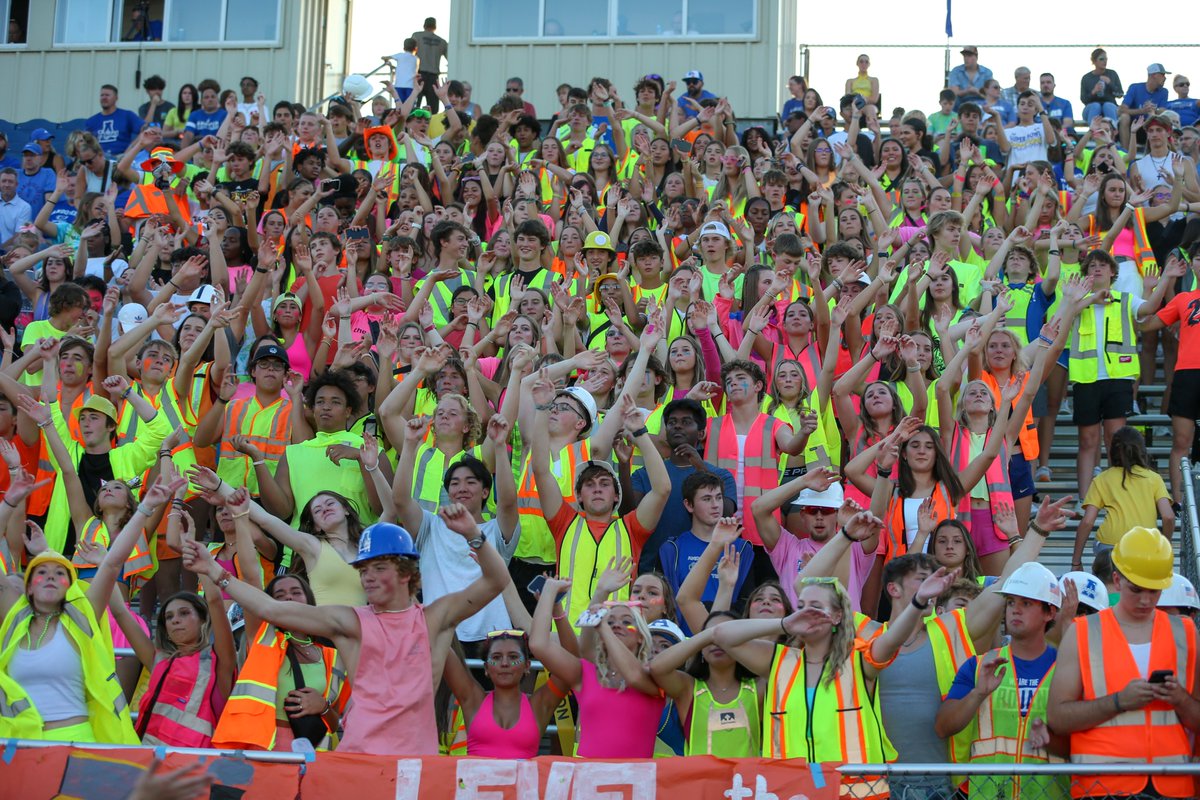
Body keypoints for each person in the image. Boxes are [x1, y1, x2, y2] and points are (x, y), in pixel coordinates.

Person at [181, 508, 509, 756]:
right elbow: (272, 610)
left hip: (413, 762)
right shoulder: (351, 620)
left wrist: (471, 534)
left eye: (379, 568)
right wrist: (215, 572)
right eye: (364, 570)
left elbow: (496, 581)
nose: (367, 577)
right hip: (358, 758)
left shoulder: (434, 618)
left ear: (407, 573)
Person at [712, 510, 958, 799]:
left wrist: (916, 602)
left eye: (816, 606)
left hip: (856, 793)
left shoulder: (858, 661)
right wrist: (783, 623)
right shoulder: (780, 660)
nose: (806, 611)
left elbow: (892, 639)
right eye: (802, 605)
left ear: (838, 616)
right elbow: (720, 635)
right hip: (794, 793)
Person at [0, 469, 165, 743]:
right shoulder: (14, 618)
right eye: (41, 572)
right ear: (27, 588)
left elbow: (112, 563)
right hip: (16, 745)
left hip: (75, 742)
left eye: (60, 573)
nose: (51, 576)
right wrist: (9, 504)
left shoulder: (81, 616)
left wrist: (146, 508)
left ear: (70, 587)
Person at [1048, 526, 1200, 800]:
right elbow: (1057, 719)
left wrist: (1181, 700)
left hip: (1172, 786)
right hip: (1101, 788)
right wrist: (1119, 701)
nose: (1145, 600)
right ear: (1116, 580)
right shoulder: (1081, 632)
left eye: (1154, 591)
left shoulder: (1186, 633)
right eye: (1136, 589)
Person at [936, 562, 1069, 800]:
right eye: (1010, 603)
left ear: (1050, 613)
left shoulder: (1067, 669)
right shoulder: (978, 666)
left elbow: (1083, 747)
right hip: (986, 794)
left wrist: (1051, 740)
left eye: (1026, 603)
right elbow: (943, 727)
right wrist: (978, 693)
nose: (1015, 610)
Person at [529, 575, 665, 758]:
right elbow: (538, 645)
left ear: (641, 635)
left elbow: (633, 675)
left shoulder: (653, 674)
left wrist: (603, 627)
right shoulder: (585, 672)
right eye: (610, 622)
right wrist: (549, 592)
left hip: (634, 782)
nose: (616, 625)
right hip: (588, 780)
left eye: (626, 622)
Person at [628, 399, 736, 572]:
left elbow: (725, 514)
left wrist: (700, 468)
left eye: (686, 422)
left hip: (703, 570)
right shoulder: (645, 473)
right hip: (652, 572)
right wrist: (624, 464)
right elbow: (628, 514)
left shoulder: (722, 476)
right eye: (672, 422)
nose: (677, 426)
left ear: (701, 434)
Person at [1072, 426, 1173, 571]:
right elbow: (1168, 516)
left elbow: (1087, 521)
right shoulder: (1154, 478)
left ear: (1112, 451)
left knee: (1110, 584)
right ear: (1141, 450)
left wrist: (1076, 562)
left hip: (1109, 546)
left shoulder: (1102, 479)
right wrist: (1165, 546)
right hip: (1144, 545)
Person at [1119, 64, 1171, 146]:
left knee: (1154, 115)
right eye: (1162, 75)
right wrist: (1142, 110)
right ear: (1153, 75)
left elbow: (1163, 110)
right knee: (1124, 117)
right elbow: (1122, 110)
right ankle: (1125, 153)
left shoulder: (1164, 91)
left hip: (1151, 126)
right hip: (1134, 126)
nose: (1165, 78)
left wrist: (1153, 110)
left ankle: (1153, 151)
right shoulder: (1135, 88)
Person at [85, 85, 143, 158]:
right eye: (102, 95)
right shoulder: (91, 121)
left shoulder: (127, 115)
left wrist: (129, 151)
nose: (104, 98)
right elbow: (85, 142)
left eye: (107, 95)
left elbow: (145, 131)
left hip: (121, 158)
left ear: (116, 98)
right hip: (99, 159)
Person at [410, 18, 448, 112]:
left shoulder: (417, 36)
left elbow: (409, 53)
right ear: (435, 27)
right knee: (433, 109)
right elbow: (450, 58)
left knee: (414, 106)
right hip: (433, 78)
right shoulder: (442, 42)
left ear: (424, 25)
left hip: (418, 76)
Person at [1080, 49, 1123, 125]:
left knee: (1108, 106)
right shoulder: (1086, 78)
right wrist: (1094, 91)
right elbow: (1084, 100)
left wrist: (1110, 83)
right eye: (1101, 59)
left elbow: (1120, 94)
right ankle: (1093, 133)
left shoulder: (1112, 74)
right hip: (1091, 108)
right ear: (1094, 61)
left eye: (1106, 59)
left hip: (1110, 106)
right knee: (1095, 106)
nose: (1105, 61)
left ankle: (1112, 133)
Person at [0, 167, 32, 244]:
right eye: (4, 181)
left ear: (16, 184)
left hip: (9, 251)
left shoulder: (25, 207)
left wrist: (1, 248)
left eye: (10, 182)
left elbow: (19, 236)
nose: (7, 185)